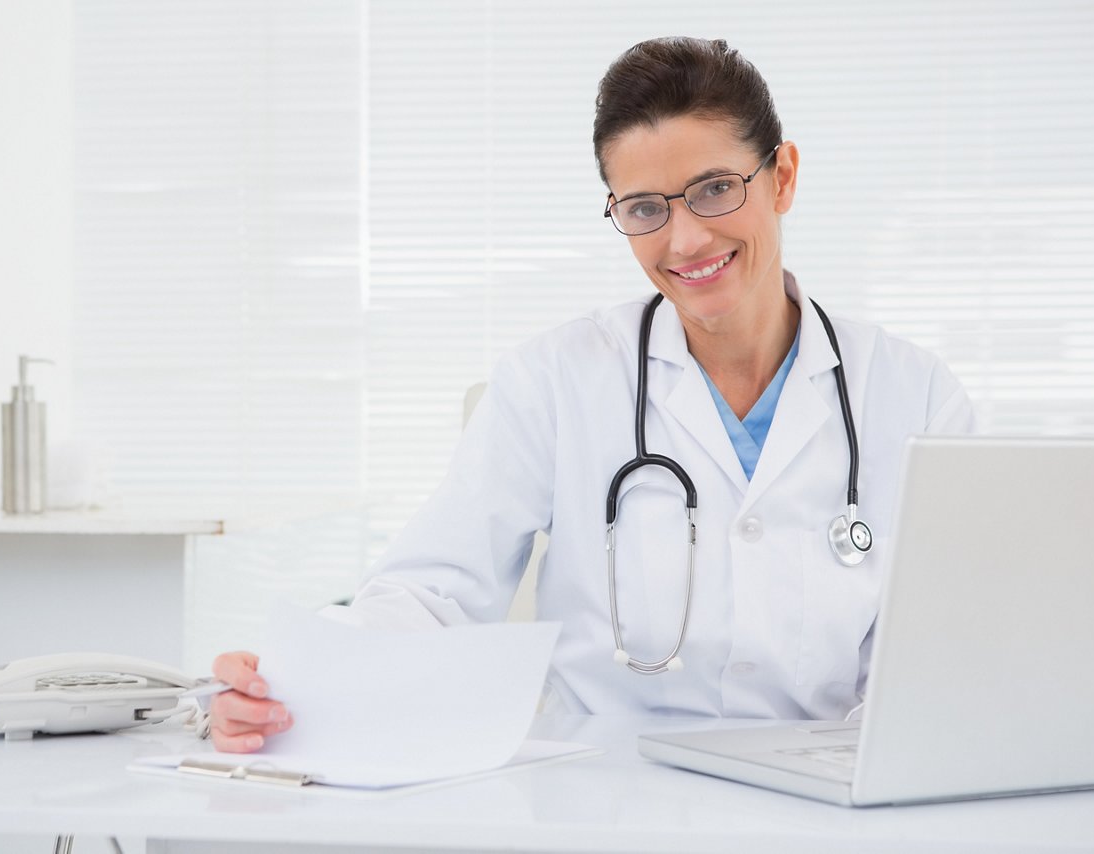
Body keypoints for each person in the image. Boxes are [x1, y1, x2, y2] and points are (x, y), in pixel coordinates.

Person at [208, 36, 975, 753]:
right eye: (645, 208)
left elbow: (944, 652)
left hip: (827, 804)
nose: (684, 241)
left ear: (784, 177)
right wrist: (292, 682)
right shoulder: (555, 380)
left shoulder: (915, 396)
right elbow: (431, 592)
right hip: (604, 798)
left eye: (713, 189)